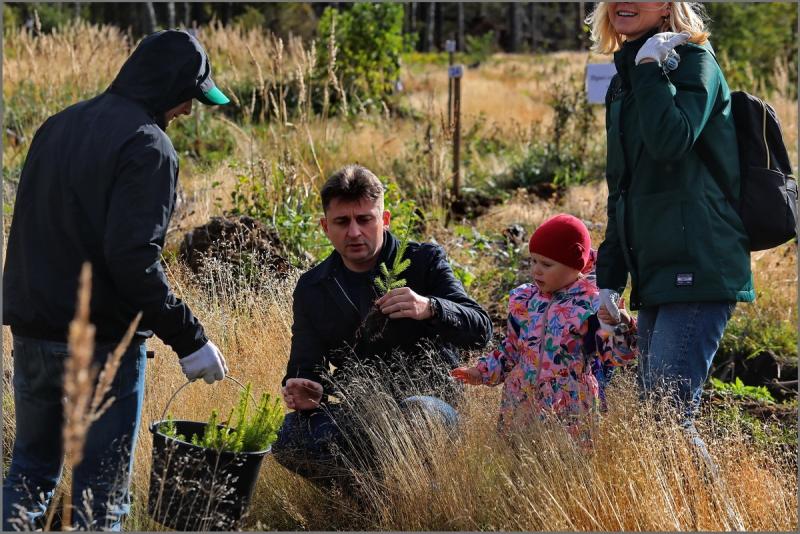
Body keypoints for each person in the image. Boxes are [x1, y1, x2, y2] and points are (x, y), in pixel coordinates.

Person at [3, 30, 232, 531]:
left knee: (31, 474)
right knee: (100, 498)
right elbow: (133, 260)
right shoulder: (149, 146)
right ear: (169, 84)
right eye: (189, 97)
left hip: (33, 334)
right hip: (101, 344)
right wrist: (191, 339)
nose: (189, 111)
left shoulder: (57, 126)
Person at [587, 3, 754, 444]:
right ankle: (686, 514)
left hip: (700, 260)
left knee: (667, 419)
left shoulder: (695, 62)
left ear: (666, 5)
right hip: (655, 265)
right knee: (655, 417)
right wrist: (610, 278)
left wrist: (648, 70)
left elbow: (670, 142)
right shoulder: (626, 79)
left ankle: (722, 515)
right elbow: (621, 188)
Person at [273, 164, 492, 490]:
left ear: (384, 220)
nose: (354, 232)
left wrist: (430, 307)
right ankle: (368, 501)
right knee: (289, 435)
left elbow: (481, 329)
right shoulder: (313, 287)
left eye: (365, 219)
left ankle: (417, 498)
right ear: (325, 227)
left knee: (417, 413)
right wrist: (308, 387)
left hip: (432, 408)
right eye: (342, 222)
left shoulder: (423, 261)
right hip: (361, 415)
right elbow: (305, 359)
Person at [451, 214, 638, 443]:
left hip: (570, 405)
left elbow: (618, 357)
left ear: (574, 263)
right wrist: (481, 372)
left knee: (564, 467)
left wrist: (623, 323)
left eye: (547, 264)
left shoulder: (591, 305)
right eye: (533, 261)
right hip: (520, 402)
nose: (537, 270)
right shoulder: (526, 300)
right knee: (518, 465)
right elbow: (511, 350)